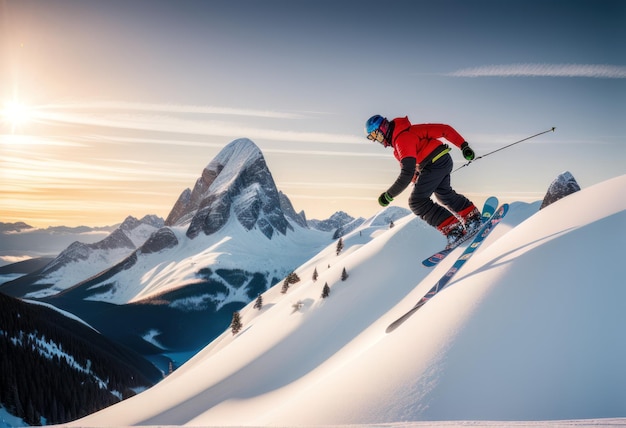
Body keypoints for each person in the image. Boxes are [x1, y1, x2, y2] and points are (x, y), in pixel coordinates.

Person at [365, 114, 481, 248]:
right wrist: (463, 145)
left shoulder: (402, 139)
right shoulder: (403, 141)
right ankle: (472, 216)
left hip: (434, 164)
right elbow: (412, 170)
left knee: (416, 202)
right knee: (443, 194)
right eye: (372, 138)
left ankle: (454, 230)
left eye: (376, 135)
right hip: (441, 162)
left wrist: (389, 195)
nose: (376, 140)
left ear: (383, 128)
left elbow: (407, 173)